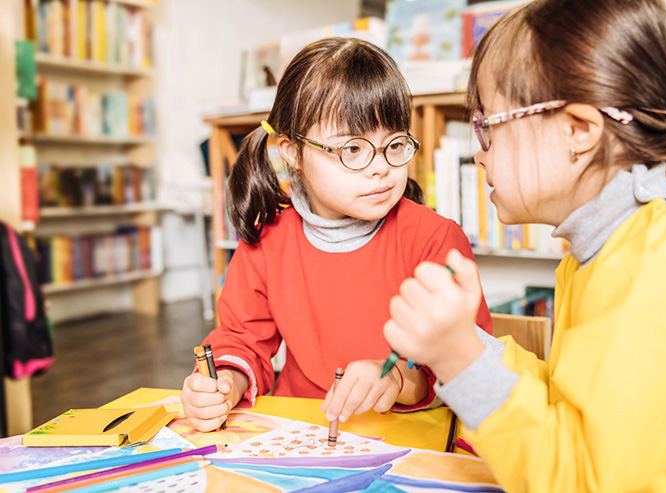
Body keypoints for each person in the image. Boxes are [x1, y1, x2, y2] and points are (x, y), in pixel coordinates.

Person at [383, 1, 666, 491]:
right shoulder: (607, 251)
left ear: (579, 131)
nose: (479, 153)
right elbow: (570, 403)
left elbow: (578, 478)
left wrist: (459, 357)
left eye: (487, 126)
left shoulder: (664, 274)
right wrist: (459, 343)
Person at [181, 37, 492, 432]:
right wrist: (224, 385)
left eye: (394, 144)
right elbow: (242, 339)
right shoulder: (267, 240)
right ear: (292, 152)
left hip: (408, 435)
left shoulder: (434, 239)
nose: (381, 167)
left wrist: (396, 379)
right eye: (353, 150)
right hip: (299, 431)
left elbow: (467, 362)